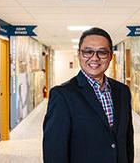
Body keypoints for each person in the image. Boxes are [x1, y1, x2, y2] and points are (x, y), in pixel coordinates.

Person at [43, 27, 134, 163]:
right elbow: (54, 152)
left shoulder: (123, 91)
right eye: (87, 52)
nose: (94, 58)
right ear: (79, 54)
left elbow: (127, 140)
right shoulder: (62, 95)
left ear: (110, 56)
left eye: (102, 52)